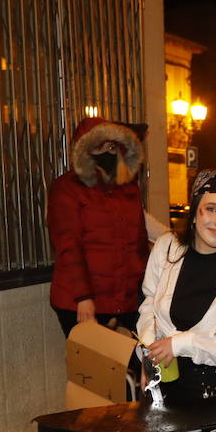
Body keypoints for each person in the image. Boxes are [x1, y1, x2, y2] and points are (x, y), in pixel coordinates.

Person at [138, 170, 216, 402]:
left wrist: (183, 344)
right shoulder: (167, 248)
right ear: (195, 211)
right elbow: (149, 305)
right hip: (164, 390)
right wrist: (149, 354)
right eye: (211, 208)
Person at [47, 118, 152, 336]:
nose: (107, 152)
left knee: (128, 366)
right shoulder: (67, 188)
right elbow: (68, 245)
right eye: (100, 146)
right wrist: (83, 298)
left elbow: (138, 242)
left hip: (125, 302)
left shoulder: (128, 189)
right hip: (81, 302)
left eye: (112, 146)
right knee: (94, 368)